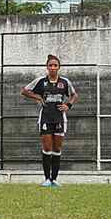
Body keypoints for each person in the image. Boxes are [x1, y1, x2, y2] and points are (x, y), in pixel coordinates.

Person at [20, 54, 78, 187]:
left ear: (59, 68)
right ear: (47, 67)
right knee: (47, 148)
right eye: (50, 65)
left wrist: (68, 105)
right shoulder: (41, 81)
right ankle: (47, 179)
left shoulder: (65, 82)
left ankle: (54, 179)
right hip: (45, 117)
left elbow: (74, 95)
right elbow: (24, 91)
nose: (52, 68)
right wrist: (38, 97)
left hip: (59, 118)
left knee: (57, 148)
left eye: (55, 65)